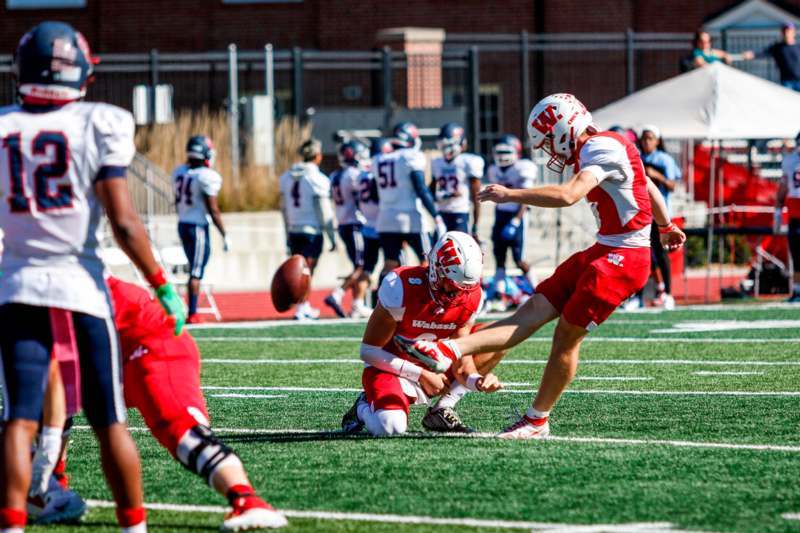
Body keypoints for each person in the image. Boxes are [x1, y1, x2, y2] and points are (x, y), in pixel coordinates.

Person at [395, 93, 686, 439]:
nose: (549, 148)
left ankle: (536, 420)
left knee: (565, 337)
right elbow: (646, 184)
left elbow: (568, 196)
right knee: (529, 311)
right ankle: (447, 350)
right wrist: (665, 226)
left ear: (564, 127)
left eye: (549, 139)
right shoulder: (610, 142)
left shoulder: (598, 148)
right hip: (605, 248)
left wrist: (511, 194)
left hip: (623, 259)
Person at [0, 21, 184, 532]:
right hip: (80, 286)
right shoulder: (100, 121)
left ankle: (12, 525)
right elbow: (124, 220)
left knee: (19, 419)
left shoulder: (4, 125)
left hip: (16, 286)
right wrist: (162, 284)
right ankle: (134, 525)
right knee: (109, 421)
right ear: (79, 71)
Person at [341, 232, 503, 436]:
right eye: (451, 286)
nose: (457, 295)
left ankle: (442, 409)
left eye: (464, 289)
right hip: (391, 367)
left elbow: (463, 361)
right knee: (390, 427)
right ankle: (363, 408)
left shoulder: (471, 297)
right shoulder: (400, 285)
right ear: (436, 268)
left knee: (498, 335)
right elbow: (369, 351)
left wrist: (476, 382)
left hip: (434, 363)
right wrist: (421, 374)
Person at [374, 122, 447, 281]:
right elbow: (421, 189)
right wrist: (436, 216)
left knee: (390, 264)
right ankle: (426, 301)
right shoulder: (411, 156)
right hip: (410, 217)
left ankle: (382, 303)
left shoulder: (379, 158)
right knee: (428, 261)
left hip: (386, 219)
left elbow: (375, 192)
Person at [173, 135, 228, 324]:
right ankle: (193, 312)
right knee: (196, 271)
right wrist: (224, 233)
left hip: (183, 224)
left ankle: (192, 310)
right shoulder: (206, 176)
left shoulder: (180, 172)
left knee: (195, 268)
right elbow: (213, 209)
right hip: (197, 227)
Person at [278, 138, 336, 320]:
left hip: (294, 228)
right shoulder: (317, 178)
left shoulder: (287, 176)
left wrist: (287, 231)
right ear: (317, 156)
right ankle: (302, 306)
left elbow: (284, 208)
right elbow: (324, 210)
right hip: (312, 230)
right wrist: (332, 235)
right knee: (306, 272)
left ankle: (303, 305)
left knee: (300, 271)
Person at [626, 125, 681, 310]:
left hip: (660, 214)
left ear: (657, 140)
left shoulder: (664, 159)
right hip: (641, 213)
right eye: (644, 138)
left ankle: (669, 294)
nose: (646, 142)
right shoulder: (637, 158)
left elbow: (672, 185)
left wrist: (656, 175)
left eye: (650, 138)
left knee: (661, 254)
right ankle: (638, 296)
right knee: (641, 255)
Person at [487, 134, 539, 306]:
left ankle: (538, 290)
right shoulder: (493, 170)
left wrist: (516, 221)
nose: (501, 155)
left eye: (505, 151)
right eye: (499, 151)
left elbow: (527, 197)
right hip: (500, 216)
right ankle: (498, 296)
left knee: (518, 258)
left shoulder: (523, 167)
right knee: (499, 258)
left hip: (517, 216)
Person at [325, 140, 372, 318]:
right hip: (354, 223)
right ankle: (337, 294)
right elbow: (363, 198)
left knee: (359, 266)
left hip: (343, 223)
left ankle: (357, 304)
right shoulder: (354, 175)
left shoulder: (335, 175)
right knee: (362, 266)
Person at [430, 122, 484, 238]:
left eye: (449, 145)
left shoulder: (467, 161)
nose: (446, 149)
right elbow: (430, 193)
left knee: (460, 252)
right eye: (443, 145)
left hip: (460, 212)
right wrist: (443, 195)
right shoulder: (436, 162)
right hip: (442, 213)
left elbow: (476, 197)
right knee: (437, 253)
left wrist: (475, 225)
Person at [357, 138, 393, 308]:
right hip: (384, 225)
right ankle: (381, 300)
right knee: (391, 264)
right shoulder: (379, 172)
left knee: (368, 267)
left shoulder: (362, 174)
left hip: (368, 225)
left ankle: (357, 302)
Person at [776, 131, 800, 302]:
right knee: (797, 252)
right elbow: (784, 186)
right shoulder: (790, 161)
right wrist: (778, 209)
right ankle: (798, 290)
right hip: (795, 211)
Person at [747, 23, 800, 91]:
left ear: (793, 32)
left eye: (789, 31)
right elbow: (762, 53)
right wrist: (751, 54)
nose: (787, 33)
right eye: (785, 31)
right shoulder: (778, 47)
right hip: (787, 81)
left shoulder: (798, 47)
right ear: (782, 33)